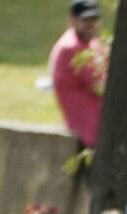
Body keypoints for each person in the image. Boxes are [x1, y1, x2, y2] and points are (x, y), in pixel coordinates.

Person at [51, 0, 108, 149]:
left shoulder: (92, 44)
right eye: (85, 20)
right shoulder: (71, 48)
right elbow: (101, 88)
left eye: (94, 19)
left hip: (95, 130)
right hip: (85, 135)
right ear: (71, 20)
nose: (90, 24)